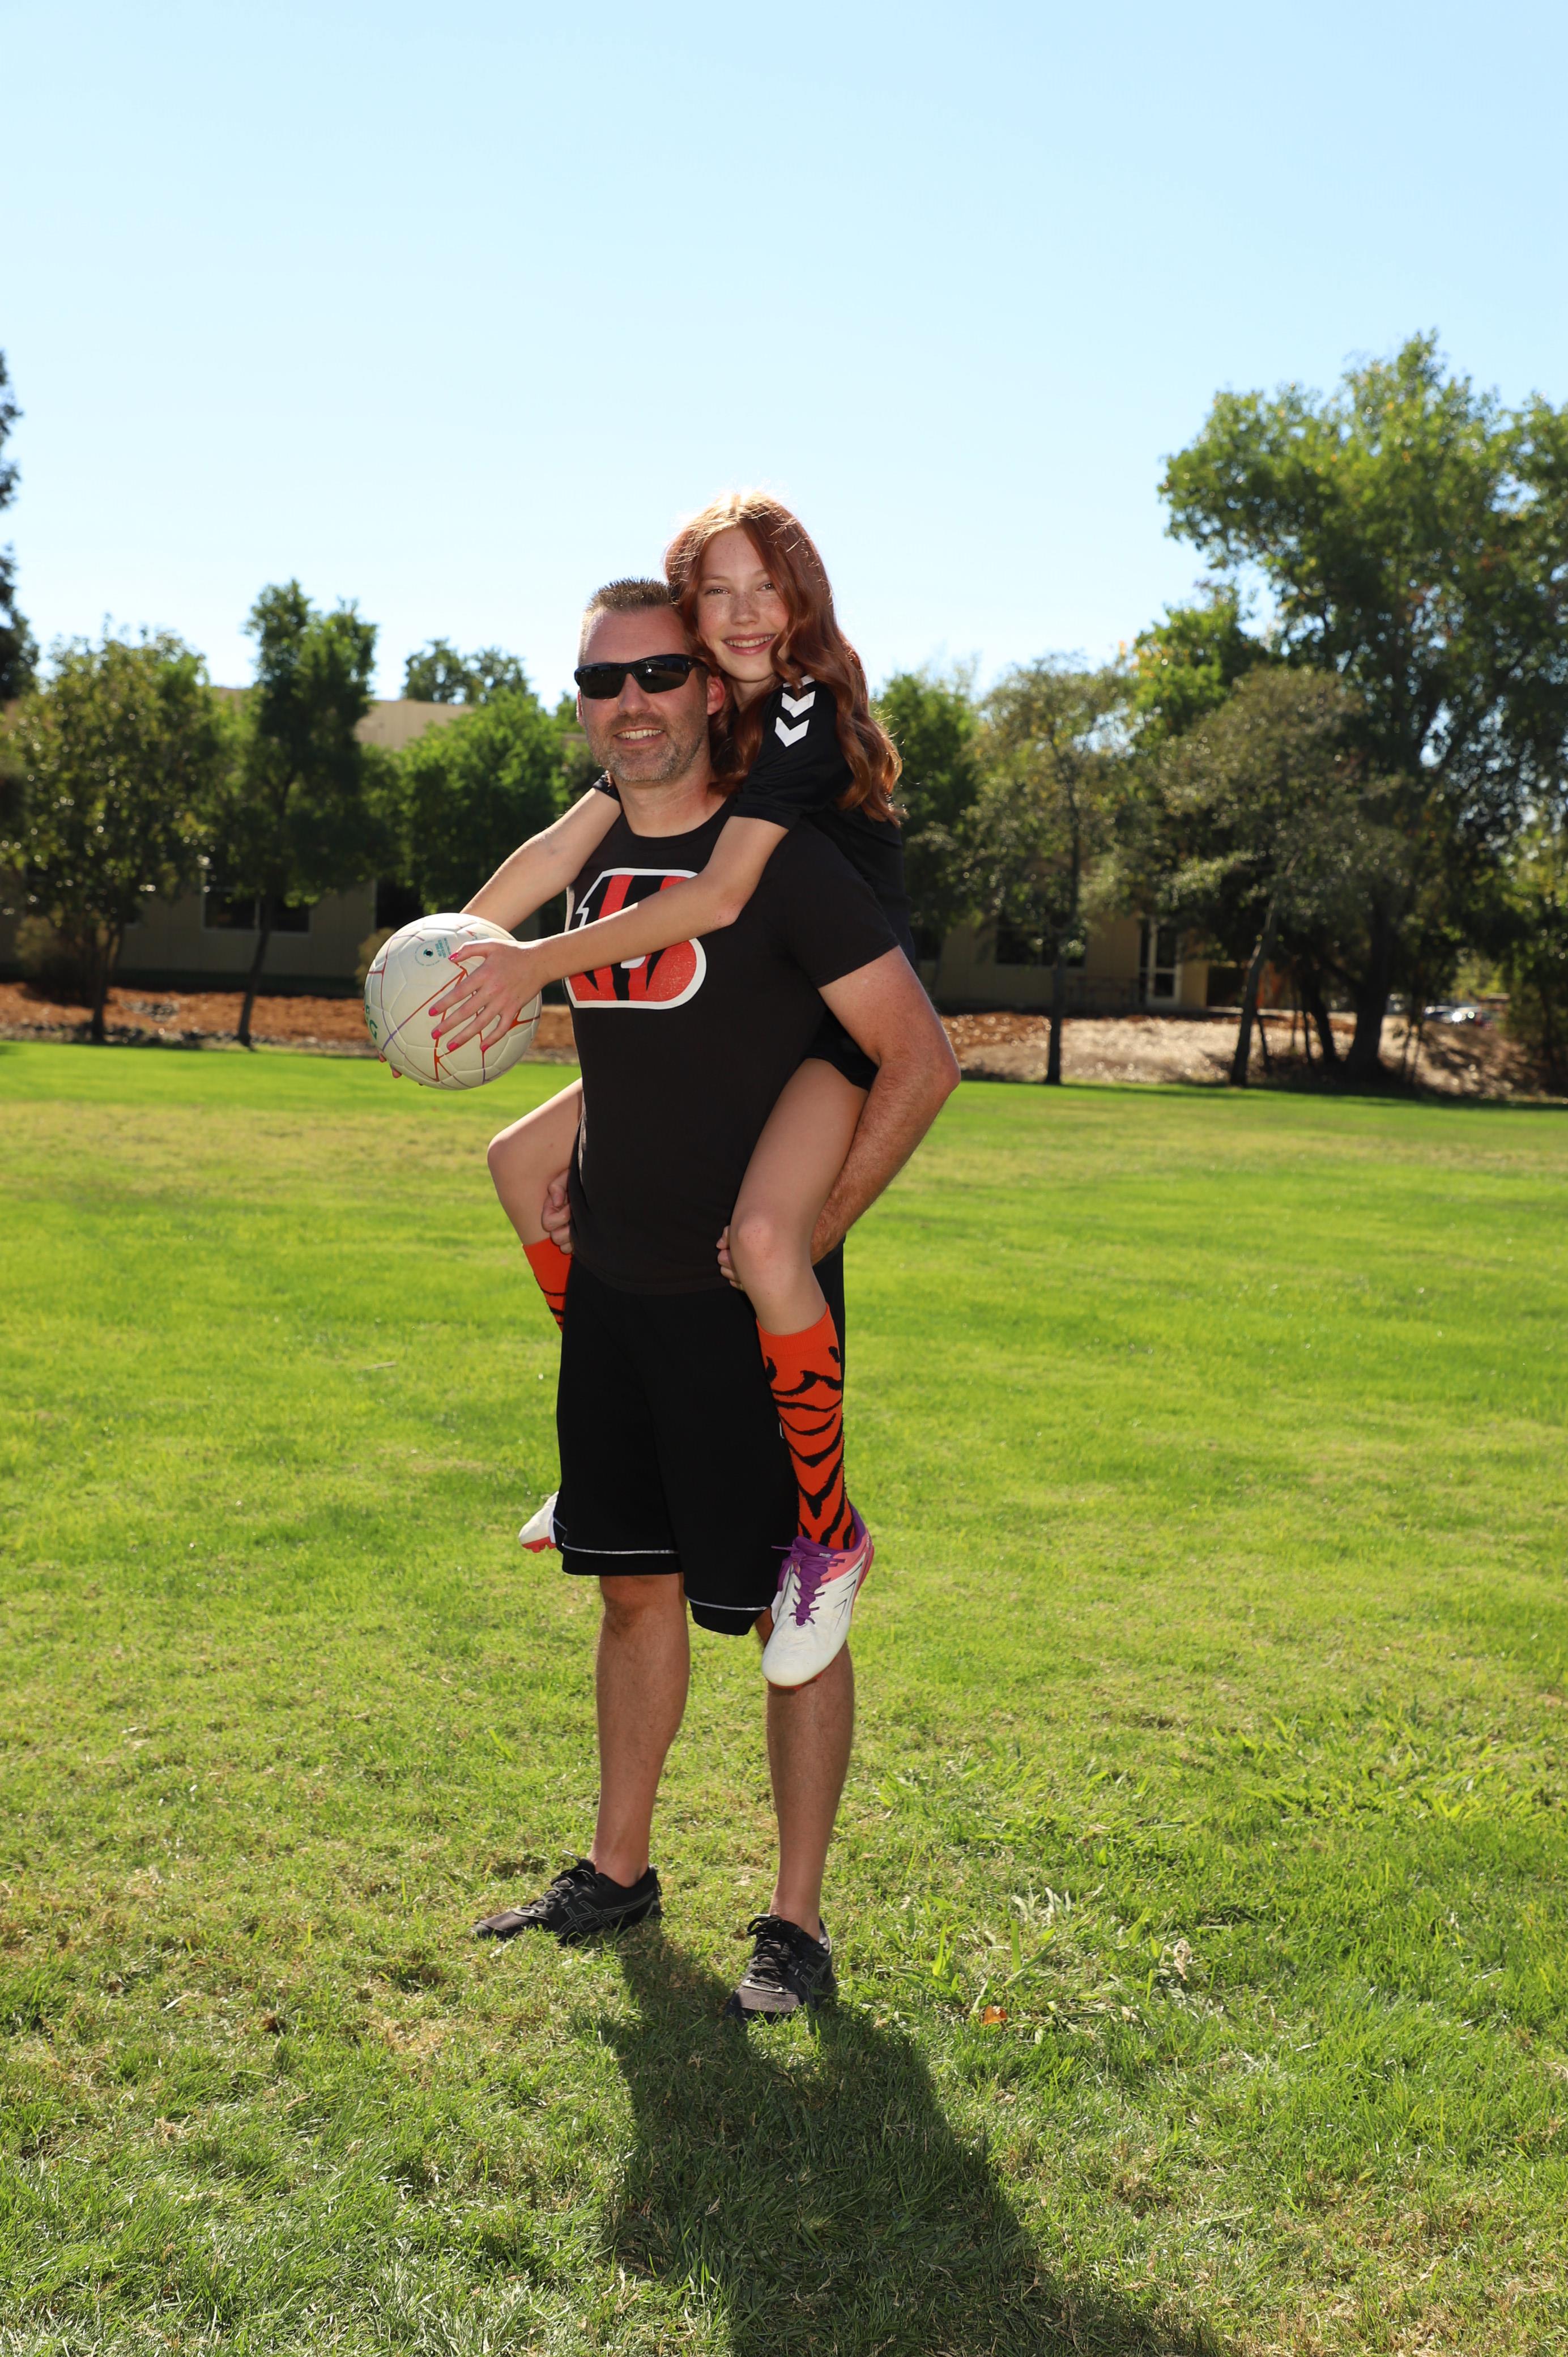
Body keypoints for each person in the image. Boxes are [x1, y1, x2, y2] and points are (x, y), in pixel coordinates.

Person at [467, 578, 957, 2017]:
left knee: (792, 1629)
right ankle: (617, 1871)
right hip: (615, 1296)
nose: (630, 702)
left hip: (748, 1309)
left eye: (658, 673)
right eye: (599, 680)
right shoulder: (588, 849)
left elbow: (913, 1054)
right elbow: (500, 953)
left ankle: (795, 1923)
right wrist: (430, 984)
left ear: (710, 688)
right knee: (633, 1591)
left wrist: (807, 1236)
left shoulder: (783, 855)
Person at [430, 496, 913, 1675]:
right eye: (717, 593)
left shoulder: (795, 720)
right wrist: (442, 957)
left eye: (766, 588)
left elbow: (717, 898)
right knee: (519, 1162)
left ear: (802, 600)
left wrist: (530, 966)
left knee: (767, 1239)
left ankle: (827, 1529)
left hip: (832, 1027)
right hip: (744, 1017)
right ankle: (618, 1444)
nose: (743, 615)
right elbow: (559, 848)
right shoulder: (706, 718)